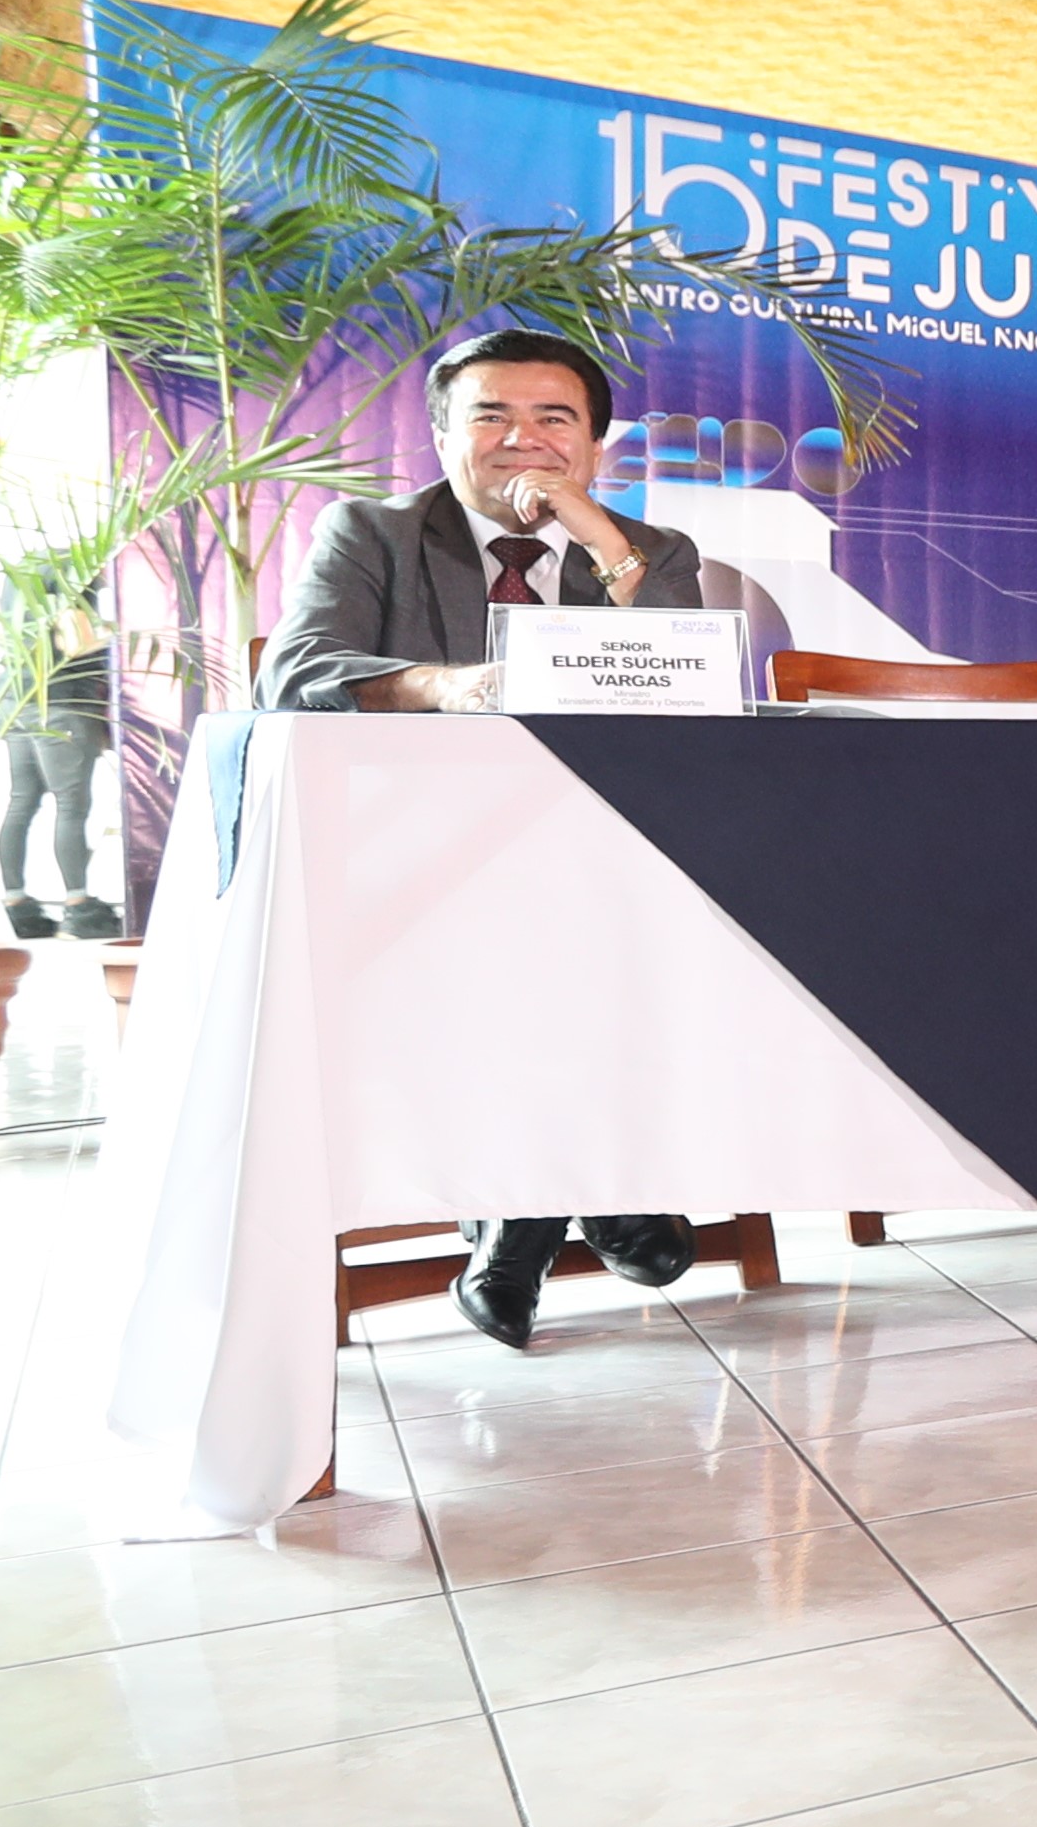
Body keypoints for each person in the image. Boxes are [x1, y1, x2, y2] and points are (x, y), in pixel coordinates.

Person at [259, 328, 718, 1348]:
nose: (524, 440)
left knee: (625, 914)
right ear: (441, 435)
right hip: (420, 863)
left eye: (555, 419)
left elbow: (688, 693)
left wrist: (600, 543)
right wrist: (446, 685)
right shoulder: (371, 536)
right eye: (491, 415)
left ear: (596, 445)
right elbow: (291, 675)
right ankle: (601, 1194)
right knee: (545, 931)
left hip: (601, 860)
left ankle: (518, 1230)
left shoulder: (653, 554)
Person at [0, 568, 120, 941]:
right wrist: (122, 636)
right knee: (71, 806)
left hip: (16, 700)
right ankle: (78, 907)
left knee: (22, 803)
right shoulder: (74, 573)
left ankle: (17, 904)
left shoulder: (21, 572)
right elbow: (76, 642)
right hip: (61, 701)